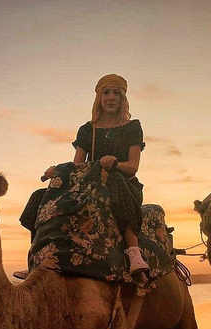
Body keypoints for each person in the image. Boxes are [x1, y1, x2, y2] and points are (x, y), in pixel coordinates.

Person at [16, 74, 149, 278]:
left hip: (123, 183)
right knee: (39, 196)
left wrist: (114, 163)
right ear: (99, 97)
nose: (111, 97)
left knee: (115, 180)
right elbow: (77, 166)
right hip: (90, 185)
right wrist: (58, 171)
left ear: (123, 98)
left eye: (116, 93)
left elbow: (133, 166)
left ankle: (133, 252)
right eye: (106, 92)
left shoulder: (132, 127)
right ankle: (37, 256)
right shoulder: (87, 130)